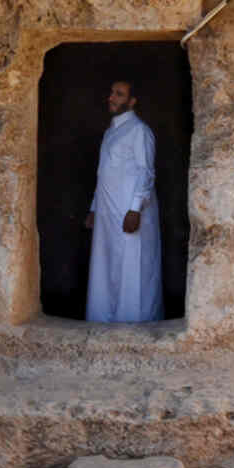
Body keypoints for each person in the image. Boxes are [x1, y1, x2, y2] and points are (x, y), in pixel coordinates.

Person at [84, 79, 163, 323]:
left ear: (132, 101)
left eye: (119, 94)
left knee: (132, 268)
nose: (112, 97)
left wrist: (135, 209)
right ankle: (103, 320)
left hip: (129, 212)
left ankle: (135, 326)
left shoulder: (139, 130)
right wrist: (94, 209)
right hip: (108, 213)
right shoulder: (111, 131)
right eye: (111, 93)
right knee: (106, 267)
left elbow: (145, 171)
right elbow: (103, 172)